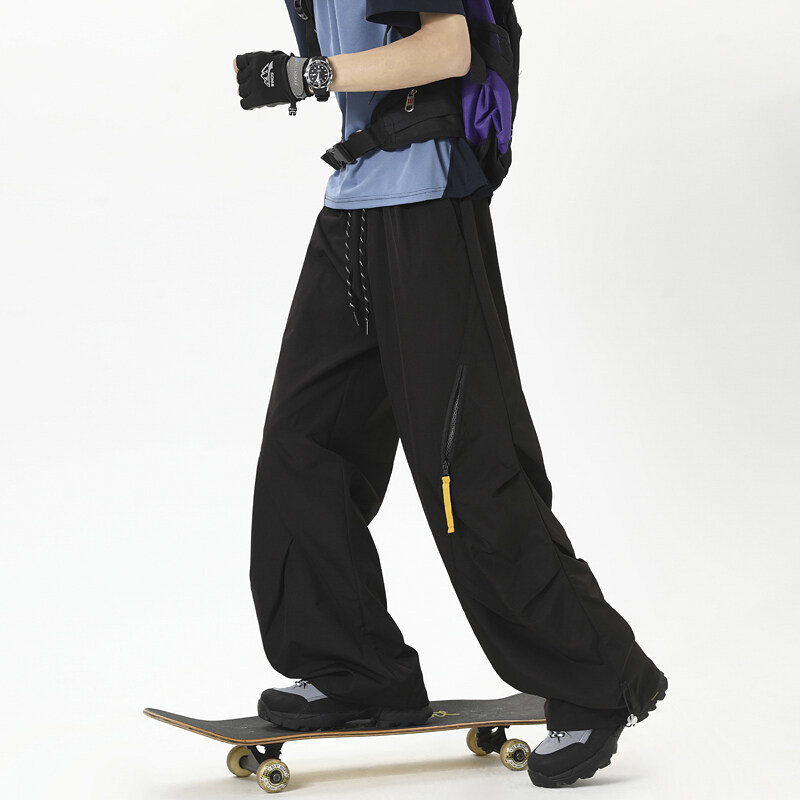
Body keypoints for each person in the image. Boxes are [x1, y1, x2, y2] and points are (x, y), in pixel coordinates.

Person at [233, 1, 667, 789]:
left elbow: (449, 48)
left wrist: (306, 74)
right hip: (353, 206)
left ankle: (597, 678)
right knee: (304, 449)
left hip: (427, 207)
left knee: (467, 464)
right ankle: (355, 669)